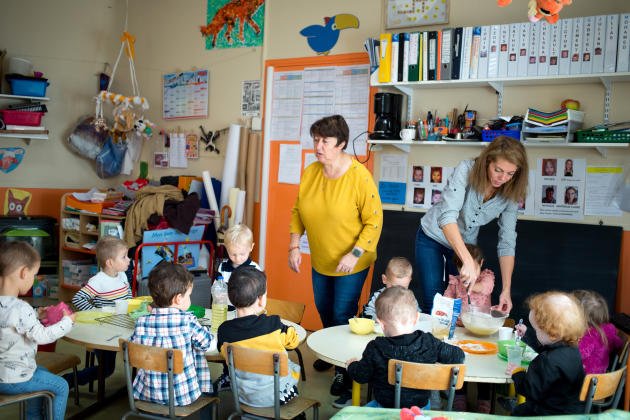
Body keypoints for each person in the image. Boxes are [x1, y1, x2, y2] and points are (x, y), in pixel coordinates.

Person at [288, 114, 383, 405]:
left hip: (353, 260)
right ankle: (332, 355)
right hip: (322, 258)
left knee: (343, 315)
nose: (318, 146)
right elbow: (298, 211)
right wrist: (294, 245)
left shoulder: (358, 177)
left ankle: (346, 370)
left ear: (341, 144)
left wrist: (354, 254)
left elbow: (374, 221)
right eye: (316, 140)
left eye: (325, 141)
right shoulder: (311, 172)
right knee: (325, 310)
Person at [414, 136, 528, 315]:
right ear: (487, 161)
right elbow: (447, 217)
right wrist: (467, 260)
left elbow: (507, 241)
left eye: (510, 173)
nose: (502, 178)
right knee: (435, 303)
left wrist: (506, 289)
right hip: (433, 237)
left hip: (467, 243)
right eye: (498, 170)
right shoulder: (466, 169)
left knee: (459, 305)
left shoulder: (512, 191)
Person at [346, 286, 464, 409]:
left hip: (385, 409)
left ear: (381, 323)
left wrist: (351, 366)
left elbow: (361, 376)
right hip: (420, 410)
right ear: (417, 318)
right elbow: (458, 356)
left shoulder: (375, 347)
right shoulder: (429, 342)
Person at [0, 242, 75, 420]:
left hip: (5, 374)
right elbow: (42, 337)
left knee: (43, 373)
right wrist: (67, 322)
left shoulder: (13, 308)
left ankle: (33, 417)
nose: (33, 279)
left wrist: (36, 314)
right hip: (14, 379)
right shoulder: (20, 307)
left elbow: (8, 322)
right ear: (24, 272)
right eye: (34, 275)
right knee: (61, 386)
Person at [130, 262, 214, 408]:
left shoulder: (141, 322)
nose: (190, 299)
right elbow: (206, 343)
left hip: (147, 393)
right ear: (178, 299)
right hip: (182, 396)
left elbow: (133, 350)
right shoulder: (187, 321)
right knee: (211, 395)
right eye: (189, 295)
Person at [217, 266, 300, 408]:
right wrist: (288, 328)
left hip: (243, 396)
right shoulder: (273, 324)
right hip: (277, 395)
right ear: (261, 299)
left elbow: (224, 354)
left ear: (231, 298)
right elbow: (293, 343)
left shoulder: (224, 331)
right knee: (292, 365)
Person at [509, 291, 587, 416]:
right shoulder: (572, 350)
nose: (536, 333)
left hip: (546, 414)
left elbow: (530, 390)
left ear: (552, 333)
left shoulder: (547, 360)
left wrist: (517, 373)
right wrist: (528, 333)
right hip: (571, 413)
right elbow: (547, 347)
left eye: (536, 330)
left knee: (517, 412)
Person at [69, 236, 131, 387]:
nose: (129, 260)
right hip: (103, 333)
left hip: (120, 327)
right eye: (124, 257)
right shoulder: (98, 281)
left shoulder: (122, 275)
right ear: (110, 262)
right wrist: (97, 312)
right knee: (107, 369)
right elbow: (78, 299)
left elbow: (128, 298)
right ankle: (67, 381)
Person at [443, 243, 494, 413]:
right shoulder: (455, 282)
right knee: (459, 362)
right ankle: (459, 396)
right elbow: (446, 301)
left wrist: (471, 283)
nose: (467, 274)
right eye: (463, 269)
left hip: (482, 331)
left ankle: (484, 399)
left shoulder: (486, 277)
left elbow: (485, 289)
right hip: (460, 330)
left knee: (485, 364)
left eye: (472, 269)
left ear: (481, 263)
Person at [572, 290, 624, 374]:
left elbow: (575, 356)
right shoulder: (608, 330)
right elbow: (619, 343)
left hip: (585, 380)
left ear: (582, 317)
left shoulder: (588, 337)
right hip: (602, 377)